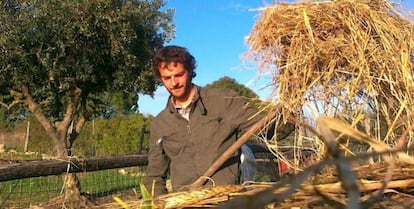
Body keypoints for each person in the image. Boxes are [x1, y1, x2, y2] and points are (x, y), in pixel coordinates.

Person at [144, 45, 293, 196]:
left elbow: (267, 130)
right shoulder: (160, 124)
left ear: (189, 71)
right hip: (186, 202)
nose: (174, 83)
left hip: (226, 199)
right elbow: (155, 174)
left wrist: (291, 108)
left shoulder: (223, 101)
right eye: (167, 78)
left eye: (179, 75)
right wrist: (156, 202)